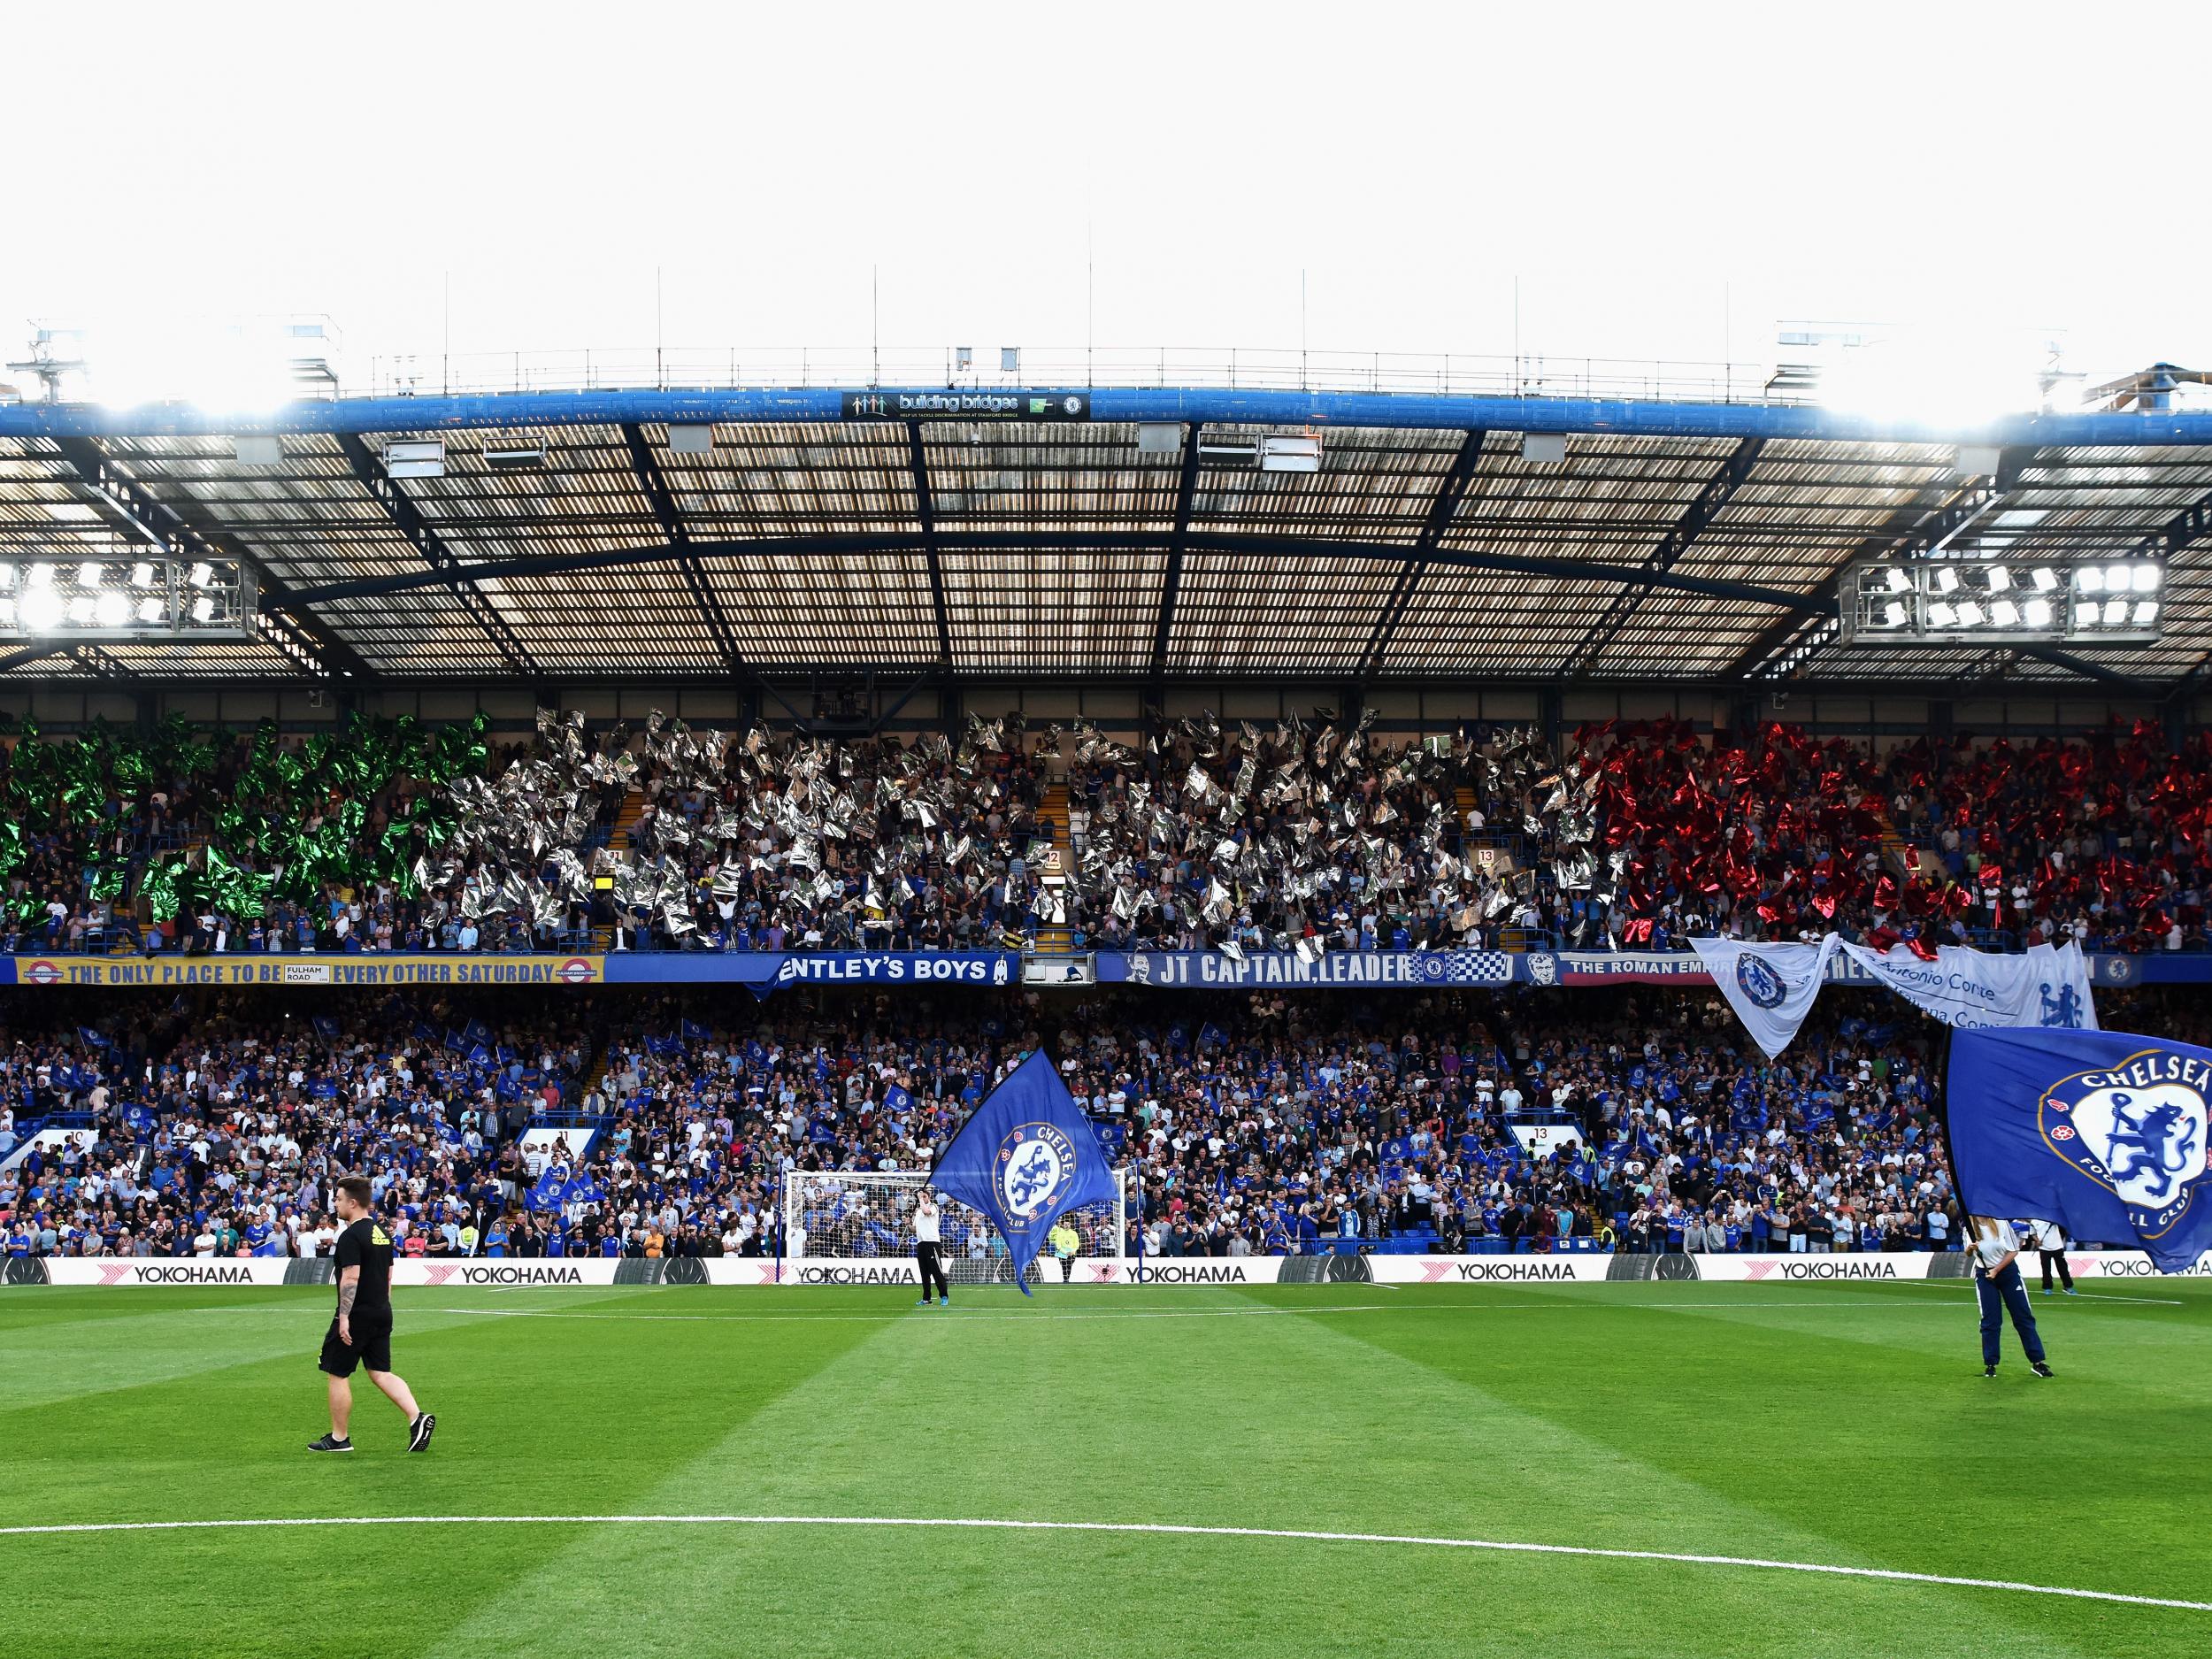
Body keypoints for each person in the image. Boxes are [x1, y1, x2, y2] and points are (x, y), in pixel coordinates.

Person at [310, 1174, 437, 1454]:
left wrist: (344, 1317)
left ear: (353, 1203)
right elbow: (389, 1275)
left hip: (358, 1313)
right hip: (381, 1310)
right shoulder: (382, 1233)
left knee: (337, 1373)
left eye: (339, 1199)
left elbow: (351, 1277)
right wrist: (383, 1306)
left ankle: (339, 1438)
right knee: (380, 1371)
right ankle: (417, 1418)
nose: (336, 1203)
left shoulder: (350, 1236)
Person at [1967, 1215, 2053, 1380]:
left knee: (2022, 1316)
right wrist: (1970, 1249)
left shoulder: (2001, 1223)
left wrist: (1997, 1270)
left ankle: (2037, 1361)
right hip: (1984, 1274)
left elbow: (2013, 1250)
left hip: (2007, 1273)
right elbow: (1968, 1253)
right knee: (1990, 1320)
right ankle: (1990, 1364)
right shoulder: (1969, 1228)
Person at [912, 1192, 949, 1307]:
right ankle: (926, 1298)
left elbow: (926, 1212)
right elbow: (914, 1229)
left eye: (925, 1196)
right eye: (921, 1196)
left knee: (936, 1271)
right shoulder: (918, 1212)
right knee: (924, 1273)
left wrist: (920, 1199)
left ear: (929, 1197)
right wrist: (908, 1225)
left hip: (932, 1242)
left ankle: (944, 1295)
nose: (923, 1198)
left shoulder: (933, 1207)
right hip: (921, 1243)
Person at [2027, 1217, 2076, 1296]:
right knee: (2046, 1269)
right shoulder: (2033, 1222)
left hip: (2057, 1247)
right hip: (2044, 1248)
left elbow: (2063, 1225)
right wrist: (2037, 1241)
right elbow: (2033, 1234)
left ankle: (2068, 1286)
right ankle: (2047, 1287)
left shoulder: (2053, 1218)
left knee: (2062, 1268)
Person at [1049, 1217, 1079, 1282]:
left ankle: (1066, 1279)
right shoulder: (1060, 1234)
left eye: (1068, 1224)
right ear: (1063, 1225)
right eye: (1065, 1224)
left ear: (1070, 1224)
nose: (1067, 1225)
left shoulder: (1074, 1233)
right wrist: (1065, 1252)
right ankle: (1066, 1279)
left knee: (1069, 1266)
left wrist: (1073, 1251)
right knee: (1064, 1266)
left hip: (1072, 1253)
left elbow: (1077, 1244)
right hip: (1062, 1253)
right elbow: (1058, 1245)